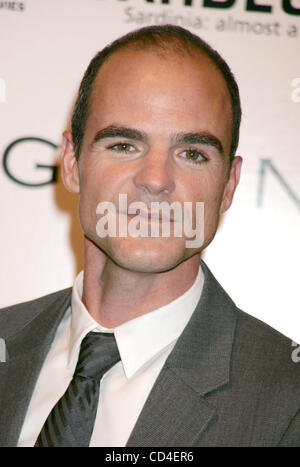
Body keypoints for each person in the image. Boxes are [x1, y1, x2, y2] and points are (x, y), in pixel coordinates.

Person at [0, 24, 300, 448]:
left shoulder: (288, 403)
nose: (156, 180)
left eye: (192, 153)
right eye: (124, 145)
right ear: (71, 162)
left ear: (229, 185)